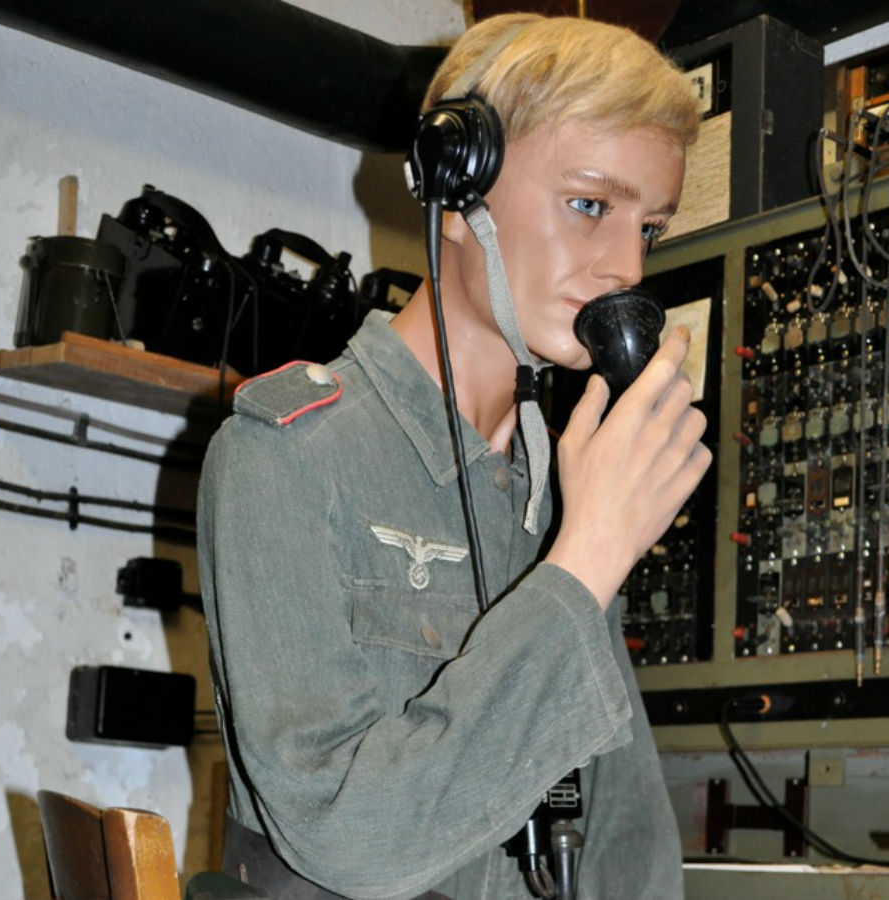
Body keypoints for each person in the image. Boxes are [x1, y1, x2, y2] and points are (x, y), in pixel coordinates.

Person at [197, 12, 709, 900]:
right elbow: (347, 837)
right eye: (590, 205)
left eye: (649, 229)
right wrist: (583, 564)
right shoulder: (286, 457)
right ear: (457, 190)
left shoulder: (557, 481)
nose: (626, 265)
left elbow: (620, 822)